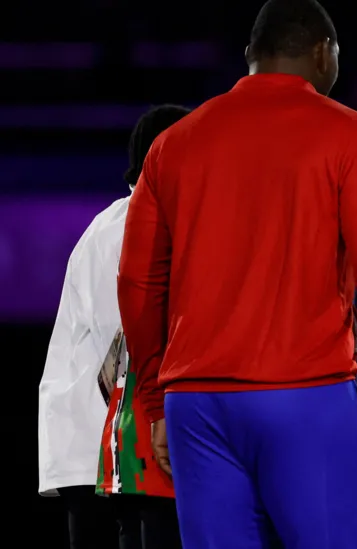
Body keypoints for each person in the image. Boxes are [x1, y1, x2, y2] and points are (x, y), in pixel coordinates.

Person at [117, 1, 357, 548]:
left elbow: (138, 283)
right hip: (305, 392)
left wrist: (156, 403)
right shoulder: (350, 133)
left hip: (198, 404)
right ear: (325, 53)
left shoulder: (174, 143)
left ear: (250, 57)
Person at [37, 104, 189, 549]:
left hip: (113, 448)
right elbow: (131, 348)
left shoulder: (138, 222)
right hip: (99, 450)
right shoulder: (127, 229)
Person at [95, 105, 191, 549]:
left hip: (141, 432)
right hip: (153, 436)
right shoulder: (135, 224)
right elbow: (122, 336)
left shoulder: (135, 219)